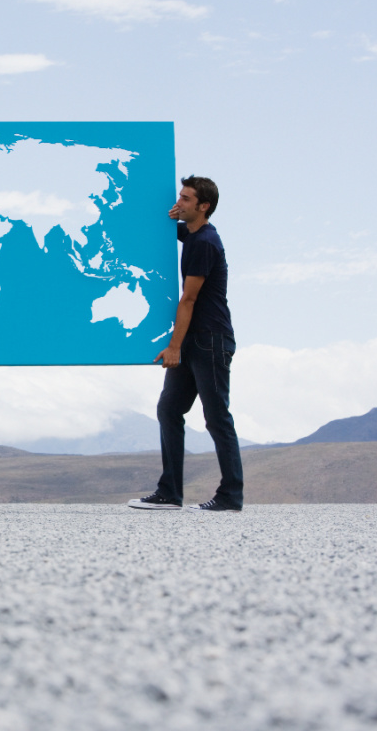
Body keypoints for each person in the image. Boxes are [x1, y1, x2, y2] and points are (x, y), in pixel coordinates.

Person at [129, 176, 244, 513]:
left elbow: (189, 299)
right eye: (179, 197)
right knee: (169, 409)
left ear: (203, 206)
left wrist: (174, 346)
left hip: (209, 340)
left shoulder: (205, 242)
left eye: (186, 199)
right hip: (194, 339)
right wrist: (168, 220)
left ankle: (230, 496)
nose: (179, 203)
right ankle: (169, 493)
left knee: (216, 417)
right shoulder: (193, 235)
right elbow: (174, 233)